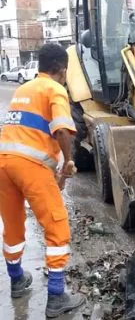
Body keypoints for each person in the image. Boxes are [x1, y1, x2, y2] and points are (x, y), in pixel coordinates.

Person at [0, 43, 86, 317]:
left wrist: (55, 174)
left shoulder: (24, 89)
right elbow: (61, 129)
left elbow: (28, 136)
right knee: (57, 226)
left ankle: (17, 279)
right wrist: (67, 163)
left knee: (13, 225)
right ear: (62, 69)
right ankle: (57, 296)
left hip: (3, 164)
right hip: (30, 167)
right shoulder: (55, 89)